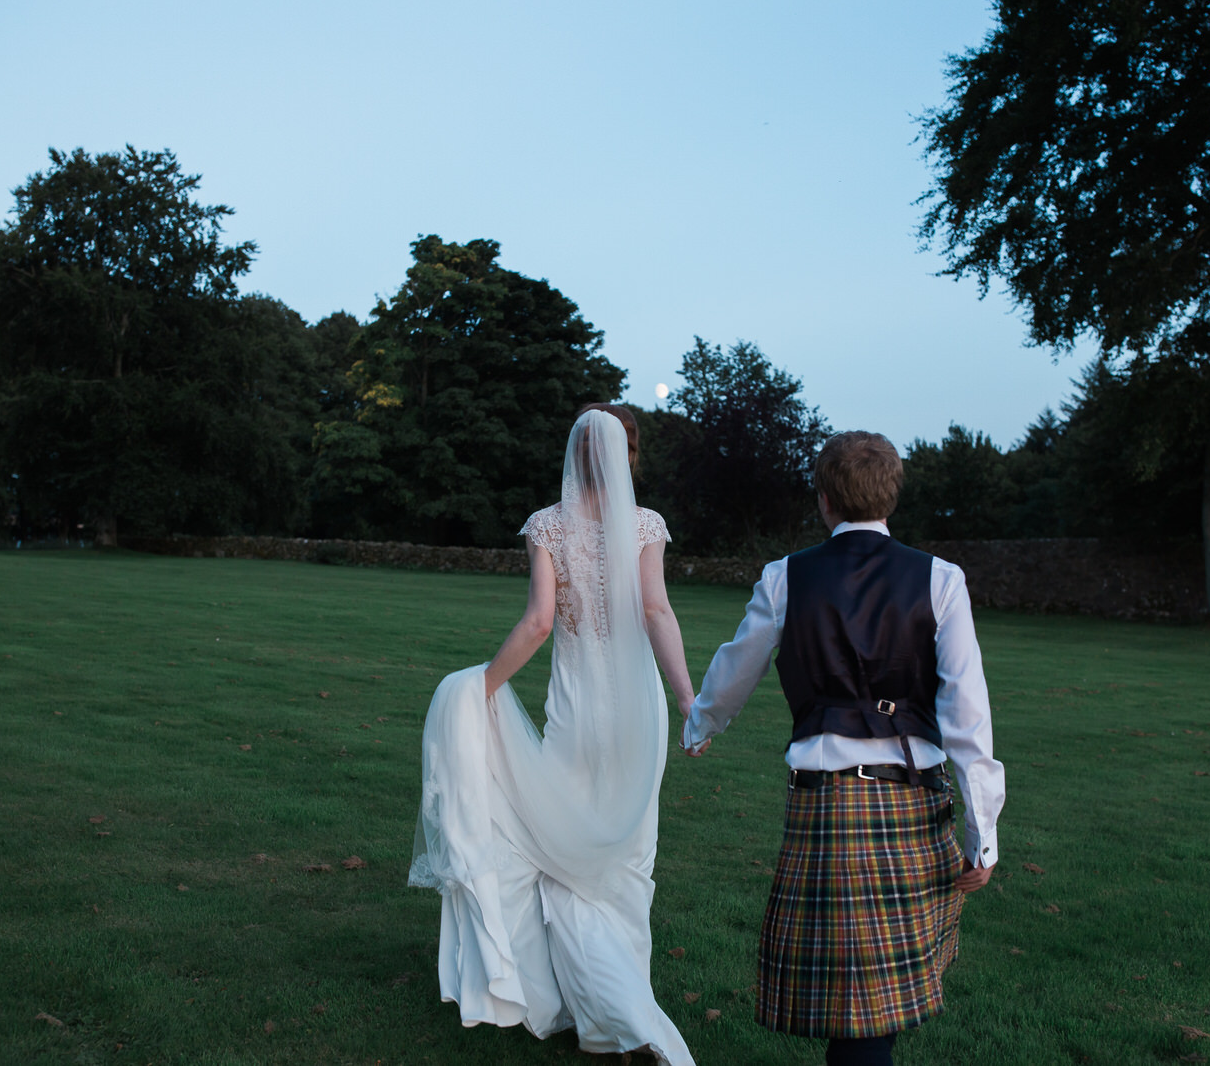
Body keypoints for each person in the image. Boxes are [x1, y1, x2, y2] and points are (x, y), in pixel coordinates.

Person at [680, 430, 1005, 1066]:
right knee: (865, 1009)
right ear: (891, 498)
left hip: (827, 803)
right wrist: (983, 834)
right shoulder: (940, 578)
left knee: (859, 1010)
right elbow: (968, 716)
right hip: (911, 801)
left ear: (825, 500)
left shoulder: (787, 576)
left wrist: (702, 725)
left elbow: (735, 667)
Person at [409, 405, 697, 1065]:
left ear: (576, 453)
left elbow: (540, 621)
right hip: (639, 715)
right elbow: (657, 610)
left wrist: (481, 686)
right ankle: (618, 1016)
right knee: (627, 862)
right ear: (629, 455)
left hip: (577, 711)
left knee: (567, 861)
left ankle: (611, 1020)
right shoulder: (646, 525)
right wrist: (687, 698)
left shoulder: (547, 525)